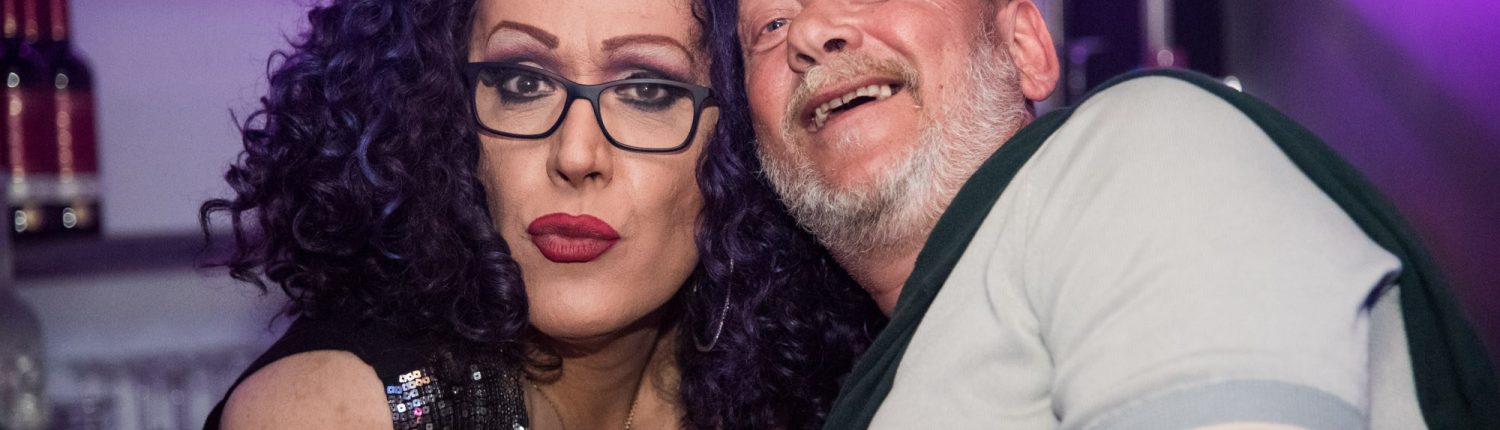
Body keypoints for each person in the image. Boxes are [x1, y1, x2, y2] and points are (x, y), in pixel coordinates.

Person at [719, 0, 1500, 428]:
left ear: (1026, 48)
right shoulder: (885, 374)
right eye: (770, 28)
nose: (810, 34)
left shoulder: (1140, 144)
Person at [200, 0, 882, 428]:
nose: (576, 154)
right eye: (522, 82)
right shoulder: (345, 410)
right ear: (437, 118)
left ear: (741, 140)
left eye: (646, 89)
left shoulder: (811, 391)